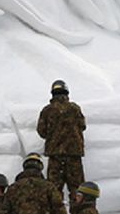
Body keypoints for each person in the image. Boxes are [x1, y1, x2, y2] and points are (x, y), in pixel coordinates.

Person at [37, 80, 86, 212]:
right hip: (74, 156)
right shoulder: (75, 108)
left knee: (54, 191)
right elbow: (83, 126)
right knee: (77, 190)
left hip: (55, 156)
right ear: (66, 92)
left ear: (52, 93)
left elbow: (41, 131)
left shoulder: (47, 110)